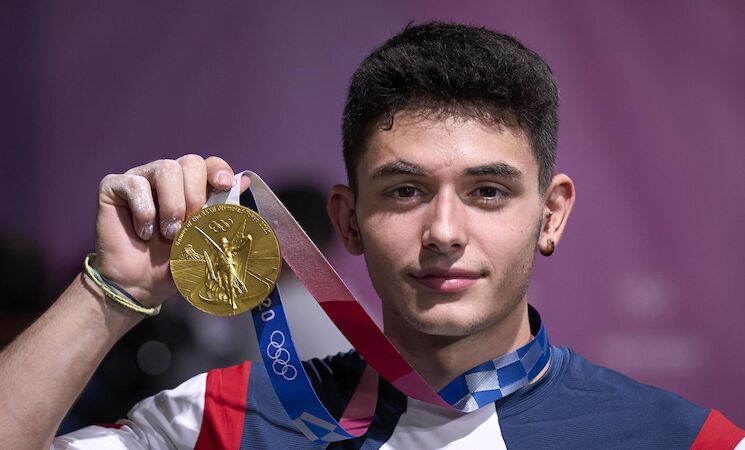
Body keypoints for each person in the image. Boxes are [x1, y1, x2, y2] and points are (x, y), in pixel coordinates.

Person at [0, 22, 742, 450]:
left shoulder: (681, 441)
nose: (443, 231)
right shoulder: (221, 423)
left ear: (550, 214)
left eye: (487, 191)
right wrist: (110, 292)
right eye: (405, 191)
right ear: (348, 221)